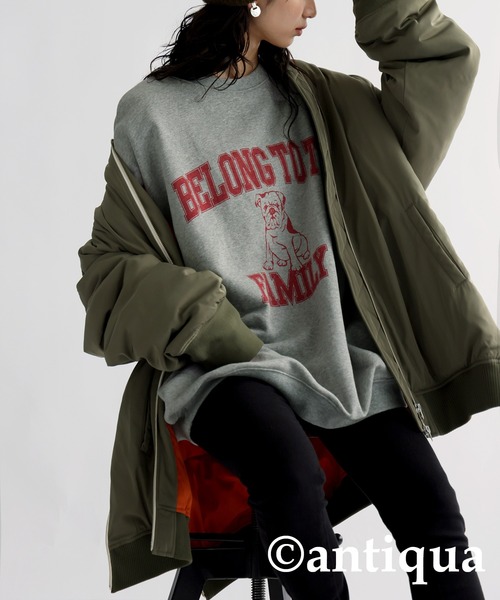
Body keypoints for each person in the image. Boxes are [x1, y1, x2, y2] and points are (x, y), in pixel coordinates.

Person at [77, 1, 499, 598]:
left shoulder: (326, 103)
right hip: (225, 364)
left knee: (431, 510)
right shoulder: (152, 114)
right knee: (290, 477)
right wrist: (208, 322)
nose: (313, 9)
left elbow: (441, 62)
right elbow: (109, 264)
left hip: (337, 357)